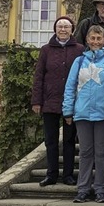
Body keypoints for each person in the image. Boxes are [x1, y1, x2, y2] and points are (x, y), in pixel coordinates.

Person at [63, 25, 104, 204]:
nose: (95, 41)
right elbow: (70, 86)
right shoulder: (79, 61)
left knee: (102, 153)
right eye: (92, 38)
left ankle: (101, 189)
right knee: (86, 153)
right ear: (87, 40)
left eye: (99, 38)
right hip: (82, 114)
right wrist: (68, 110)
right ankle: (83, 189)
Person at [31, 16, 84, 187]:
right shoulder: (46, 50)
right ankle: (51, 174)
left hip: (71, 101)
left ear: (72, 29)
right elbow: (39, 76)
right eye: (60, 26)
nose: (63, 30)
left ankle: (68, 175)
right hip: (50, 101)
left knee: (69, 140)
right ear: (55, 29)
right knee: (51, 140)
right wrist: (36, 101)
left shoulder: (79, 49)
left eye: (66, 27)